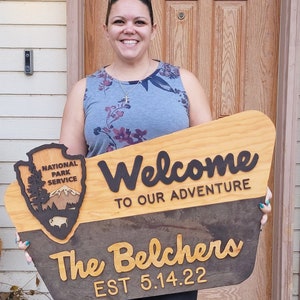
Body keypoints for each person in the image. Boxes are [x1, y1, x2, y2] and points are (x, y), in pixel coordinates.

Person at [58, 0, 271, 299]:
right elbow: (63, 175)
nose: (129, 29)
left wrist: (251, 190)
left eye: (139, 22)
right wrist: (42, 233)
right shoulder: (85, 90)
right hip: (103, 249)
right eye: (119, 22)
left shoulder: (182, 83)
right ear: (106, 30)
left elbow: (214, 157)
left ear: (153, 30)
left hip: (175, 250)